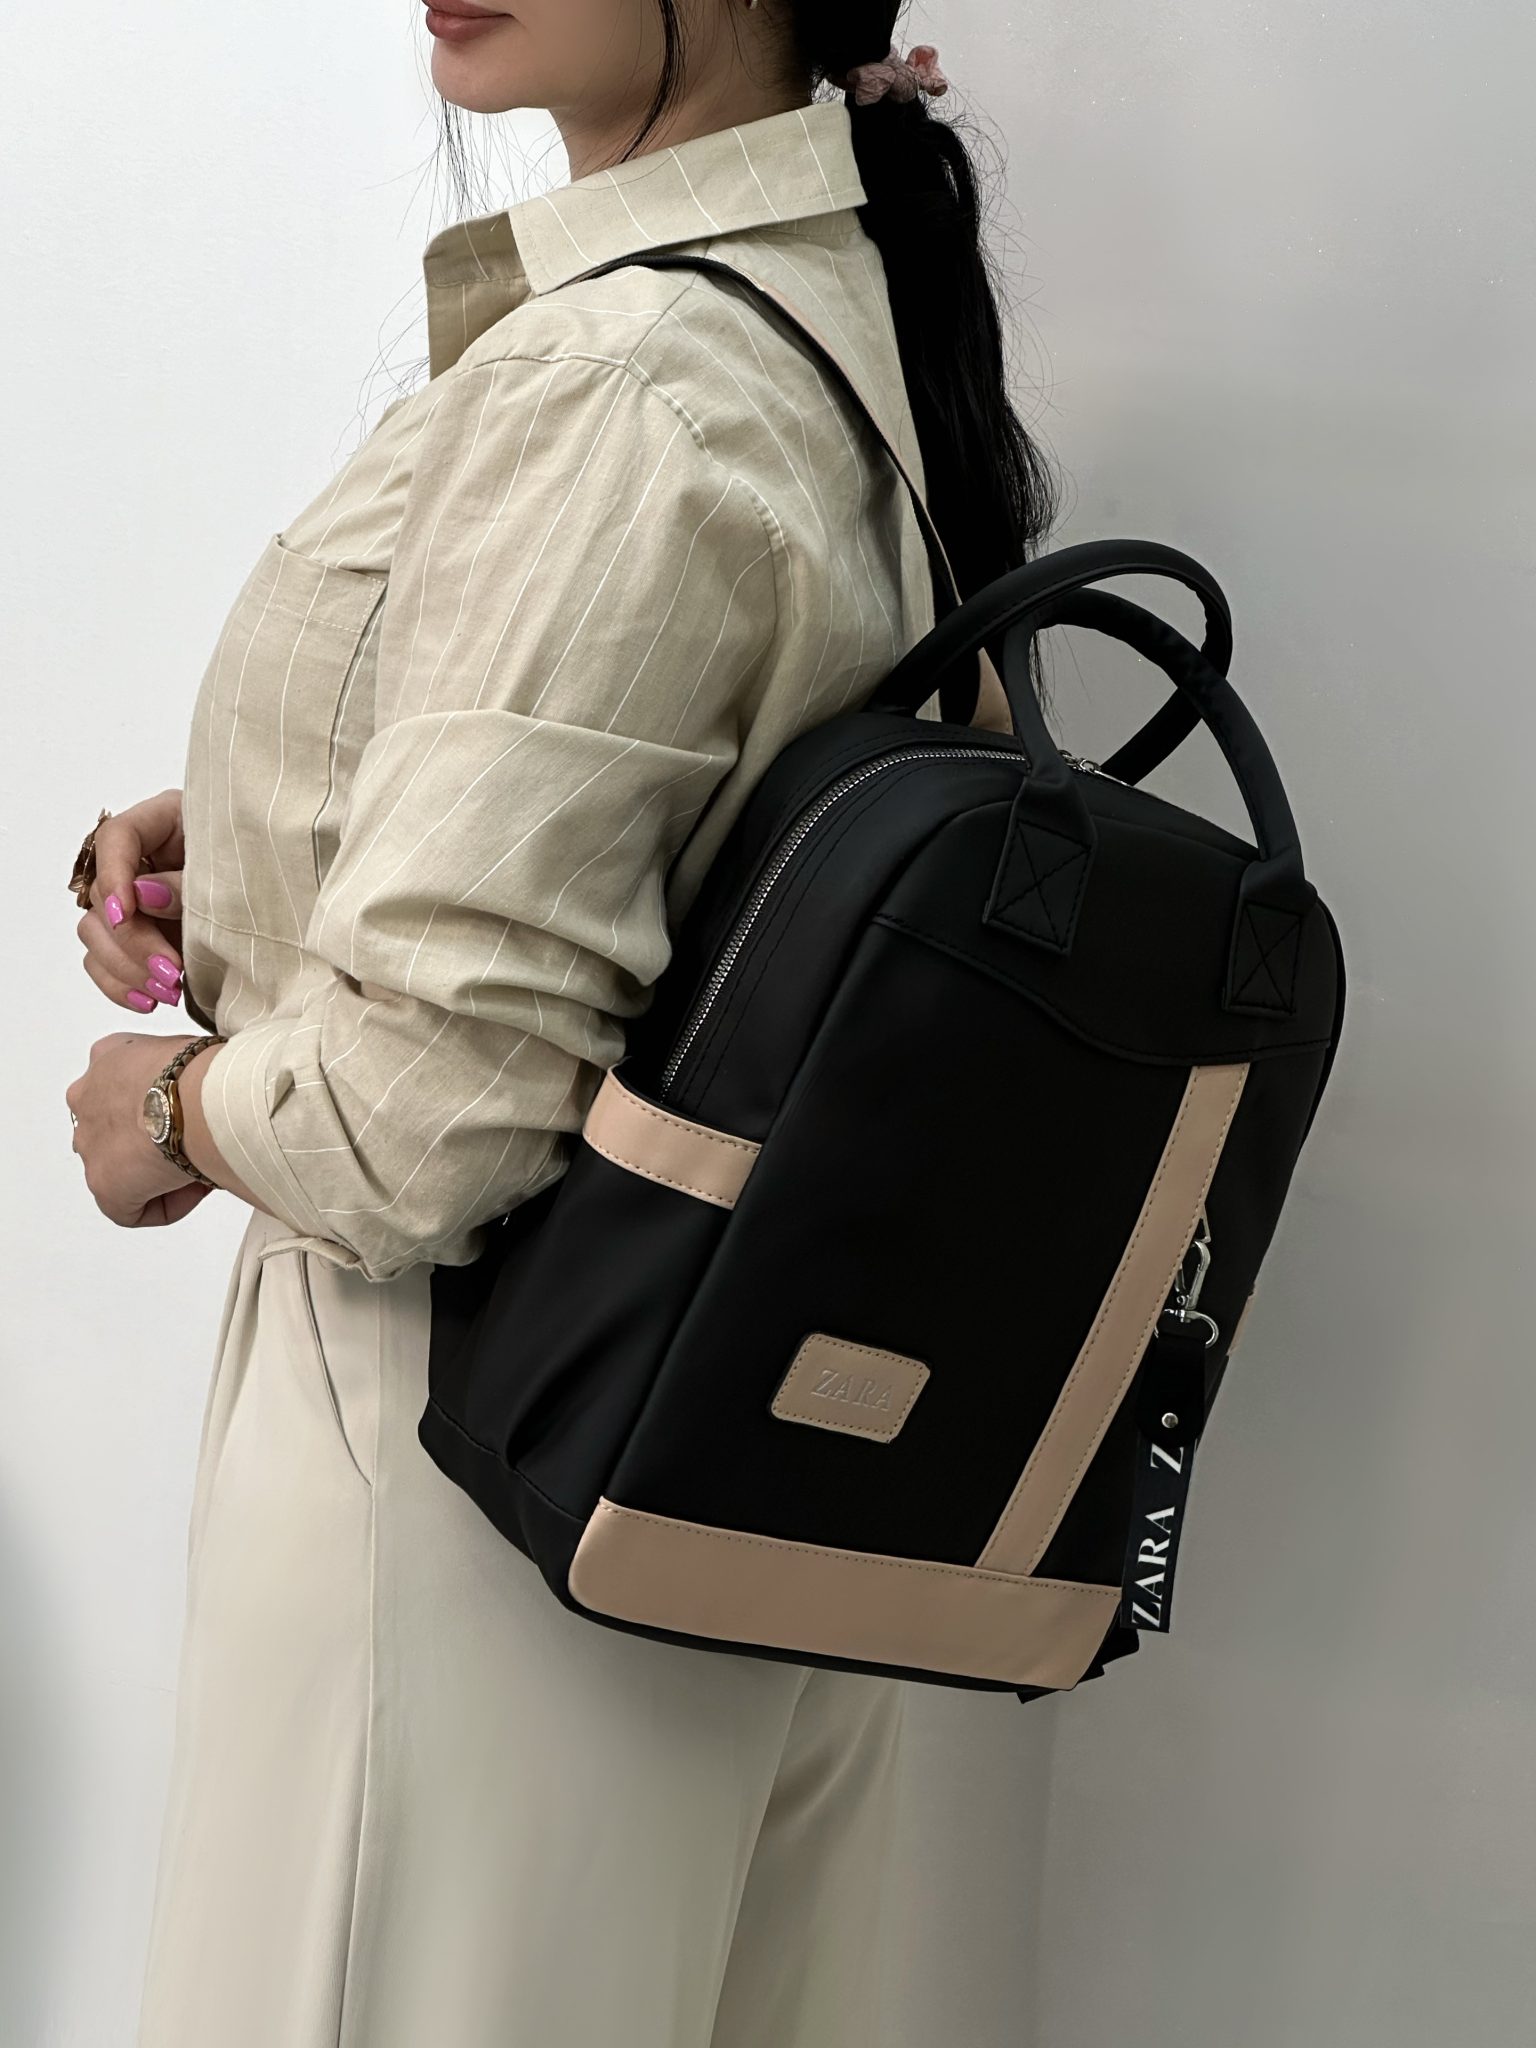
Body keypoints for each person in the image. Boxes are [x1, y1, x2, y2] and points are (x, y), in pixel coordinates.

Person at [64, 4, 1059, 2042]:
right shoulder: (828, 303)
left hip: (461, 1465)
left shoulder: (617, 381)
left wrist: (166, 1108)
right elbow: (718, 830)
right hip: (705, 1480)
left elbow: (418, 1125)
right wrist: (275, 830)